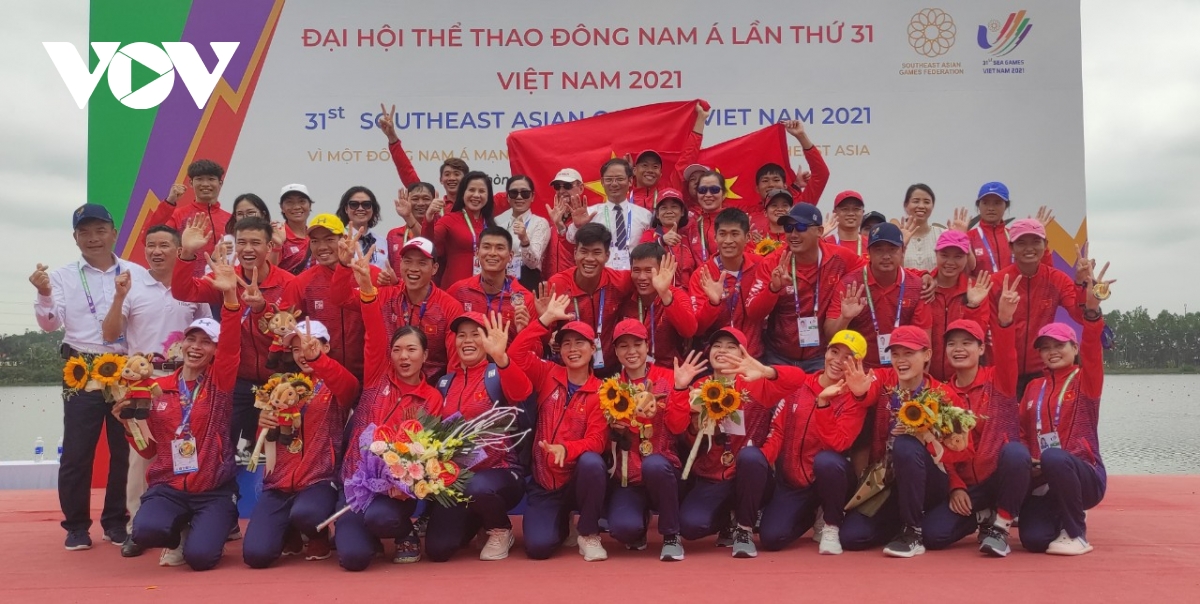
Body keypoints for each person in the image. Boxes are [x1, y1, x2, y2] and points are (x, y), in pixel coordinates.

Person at [32, 204, 148, 551]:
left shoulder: (137, 273)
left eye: (100, 230)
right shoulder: (62, 277)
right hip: (81, 368)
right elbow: (50, 324)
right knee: (77, 452)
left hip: (126, 369)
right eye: (85, 232)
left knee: (124, 449)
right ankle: (76, 526)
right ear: (75, 237)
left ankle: (116, 522)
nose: (93, 238)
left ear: (114, 233)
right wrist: (44, 293)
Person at [120, 252, 242, 571]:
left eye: (206, 342)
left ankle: (207, 527)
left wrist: (230, 297)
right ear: (182, 344)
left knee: (201, 559)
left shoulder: (219, 383)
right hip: (170, 488)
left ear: (215, 351)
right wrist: (128, 425)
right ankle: (177, 531)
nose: (196, 347)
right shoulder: (156, 388)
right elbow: (148, 449)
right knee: (146, 531)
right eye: (192, 339)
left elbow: (232, 346)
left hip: (212, 490)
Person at [101, 224, 212, 558]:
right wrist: (119, 296)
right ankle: (138, 527)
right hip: (143, 383)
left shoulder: (193, 286)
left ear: (179, 250)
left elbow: (208, 332)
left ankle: (187, 522)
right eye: (151, 245)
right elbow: (110, 334)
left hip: (187, 379)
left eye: (164, 245)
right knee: (142, 456)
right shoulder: (131, 287)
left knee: (185, 449)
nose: (156, 251)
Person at [334, 251, 446, 570]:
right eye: (397, 350)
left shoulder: (431, 399)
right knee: (353, 559)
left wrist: (400, 476)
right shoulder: (377, 375)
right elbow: (374, 332)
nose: (403, 357)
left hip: (395, 490)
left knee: (381, 517)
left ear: (425, 356)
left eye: (411, 350)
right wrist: (368, 291)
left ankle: (403, 531)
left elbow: (426, 454)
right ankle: (364, 536)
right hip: (356, 481)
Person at [673, 328, 807, 558]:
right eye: (717, 346)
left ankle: (744, 529)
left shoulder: (756, 382)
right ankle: (727, 520)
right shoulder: (700, 387)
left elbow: (798, 378)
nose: (722, 351)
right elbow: (682, 432)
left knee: (750, 457)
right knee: (690, 527)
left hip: (750, 473)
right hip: (713, 476)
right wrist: (695, 426)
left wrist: (766, 370)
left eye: (731, 347)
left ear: (743, 353)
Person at [838, 326, 968, 557]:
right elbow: (868, 390)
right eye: (896, 354)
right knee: (851, 537)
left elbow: (963, 450)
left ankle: (912, 532)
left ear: (927, 355)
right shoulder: (884, 380)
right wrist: (859, 393)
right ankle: (900, 524)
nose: (901, 360)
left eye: (909, 353)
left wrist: (926, 439)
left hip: (930, 481)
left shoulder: (944, 395)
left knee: (906, 444)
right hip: (887, 481)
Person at [923, 279, 1030, 557]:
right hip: (971, 486)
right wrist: (955, 487)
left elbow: (1006, 351)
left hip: (1001, 476)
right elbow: (942, 450)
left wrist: (1003, 320)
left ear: (981, 349)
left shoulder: (1000, 379)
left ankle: (1001, 526)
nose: (959, 349)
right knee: (934, 534)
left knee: (1017, 453)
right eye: (952, 344)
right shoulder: (940, 394)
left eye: (967, 343)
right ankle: (984, 514)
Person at [173, 215, 296, 452]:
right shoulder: (226, 277)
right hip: (237, 382)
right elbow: (183, 291)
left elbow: (288, 337)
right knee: (225, 448)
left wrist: (261, 309)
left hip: (278, 383)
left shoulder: (288, 284)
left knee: (270, 452)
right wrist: (187, 253)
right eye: (242, 242)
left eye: (255, 243)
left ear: (269, 246)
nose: (247, 249)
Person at [242, 320, 359, 568]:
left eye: (310, 345)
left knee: (307, 513)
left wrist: (318, 360)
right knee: (256, 556)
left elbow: (350, 386)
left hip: (318, 479)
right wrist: (263, 424)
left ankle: (316, 534)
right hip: (279, 482)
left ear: (326, 347)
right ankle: (289, 532)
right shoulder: (280, 385)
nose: (303, 353)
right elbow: (267, 438)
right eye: (296, 349)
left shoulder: (335, 386)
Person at [1017, 253, 1112, 556]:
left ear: (1074, 347)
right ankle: (1058, 518)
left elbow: (1092, 347)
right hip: (1045, 476)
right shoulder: (1034, 387)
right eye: (1045, 348)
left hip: (1084, 474)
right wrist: (1029, 460)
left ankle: (1076, 534)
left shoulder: (1086, 380)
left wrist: (1092, 312)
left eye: (1059, 345)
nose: (1052, 352)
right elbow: (1022, 432)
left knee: (1056, 457)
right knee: (1033, 541)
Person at [424, 312, 533, 562]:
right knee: (438, 550)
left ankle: (500, 529)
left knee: (478, 486)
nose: (468, 341)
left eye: (476, 334)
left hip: (501, 473)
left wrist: (502, 358)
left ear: (487, 340)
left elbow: (522, 391)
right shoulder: (445, 383)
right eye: (462, 335)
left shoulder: (497, 374)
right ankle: (481, 520)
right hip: (459, 480)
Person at [510, 293, 608, 561]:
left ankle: (588, 533)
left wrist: (567, 448)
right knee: (538, 548)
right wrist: (544, 320)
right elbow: (515, 355)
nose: (573, 349)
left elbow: (598, 441)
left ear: (593, 349)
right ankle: (562, 522)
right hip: (546, 483)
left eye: (580, 343)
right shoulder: (547, 373)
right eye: (566, 344)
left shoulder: (603, 391)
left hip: (578, 481)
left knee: (592, 462)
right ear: (559, 350)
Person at [758, 330, 873, 555]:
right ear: (826, 352)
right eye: (834, 352)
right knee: (771, 539)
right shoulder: (799, 384)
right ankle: (810, 514)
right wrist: (760, 461)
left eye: (848, 357)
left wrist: (823, 404)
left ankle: (831, 524)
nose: (838, 361)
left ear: (858, 364)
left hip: (831, 478)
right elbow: (778, 431)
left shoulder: (855, 398)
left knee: (827, 460)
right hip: (795, 482)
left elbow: (838, 443)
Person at [603, 319, 691, 561]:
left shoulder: (668, 378)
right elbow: (604, 439)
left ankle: (671, 535)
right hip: (629, 477)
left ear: (647, 345)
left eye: (637, 344)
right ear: (615, 351)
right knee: (623, 530)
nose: (631, 351)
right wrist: (613, 429)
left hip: (663, 470)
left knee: (654, 464)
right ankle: (639, 522)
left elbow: (678, 426)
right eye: (623, 346)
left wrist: (680, 390)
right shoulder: (611, 387)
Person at [747, 203, 864, 372]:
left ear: (819, 231)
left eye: (801, 227)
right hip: (778, 356)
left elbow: (868, 271)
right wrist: (773, 289)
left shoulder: (839, 258)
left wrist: (916, 276)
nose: (793, 234)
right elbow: (753, 313)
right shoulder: (773, 263)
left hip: (820, 357)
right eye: (789, 228)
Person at [331, 236, 463, 383]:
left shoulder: (449, 307)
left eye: (422, 263)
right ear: (400, 264)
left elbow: (455, 363)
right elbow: (342, 298)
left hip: (430, 390)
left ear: (435, 268)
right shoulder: (386, 295)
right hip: (386, 388)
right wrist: (343, 266)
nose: (413, 268)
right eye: (407, 261)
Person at [989, 219, 1086, 393]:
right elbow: (980, 328)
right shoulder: (996, 282)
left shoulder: (1057, 279)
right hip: (1002, 371)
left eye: (1035, 242)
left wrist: (1081, 285)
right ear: (1011, 247)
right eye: (1021, 243)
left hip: (1043, 373)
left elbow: (1079, 315)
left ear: (1045, 245)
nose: (1029, 248)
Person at [825, 222, 931, 368]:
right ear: (868, 252)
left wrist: (920, 381)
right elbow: (830, 336)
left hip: (900, 369)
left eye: (892, 249)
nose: (886, 256)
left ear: (903, 250)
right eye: (879, 250)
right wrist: (845, 318)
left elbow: (923, 342)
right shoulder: (850, 284)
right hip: (857, 369)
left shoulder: (917, 286)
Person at [282, 214, 368, 380]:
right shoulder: (301, 283)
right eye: (315, 241)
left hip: (369, 376)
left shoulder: (367, 275)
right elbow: (284, 329)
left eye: (329, 239)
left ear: (344, 239)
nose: (321, 247)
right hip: (323, 379)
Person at [546, 223, 634, 373]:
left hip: (610, 369)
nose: (589, 259)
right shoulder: (558, 285)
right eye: (584, 251)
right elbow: (546, 333)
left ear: (607, 256)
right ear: (575, 253)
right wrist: (548, 333)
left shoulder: (620, 281)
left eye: (597, 252)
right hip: (571, 369)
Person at [688, 208, 765, 357]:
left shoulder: (760, 266)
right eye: (722, 234)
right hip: (716, 358)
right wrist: (713, 304)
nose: (728, 241)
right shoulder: (702, 275)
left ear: (747, 237)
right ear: (715, 237)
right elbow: (698, 328)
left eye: (735, 234)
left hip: (752, 357)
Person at [444, 227, 534, 342]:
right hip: (467, 353)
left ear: (510, 256)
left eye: (499, 248)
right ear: (477, 253)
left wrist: (524, 333)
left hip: (507, 354)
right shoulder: (458, 291)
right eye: (486, 247)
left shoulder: (525, 299)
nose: (492, 253)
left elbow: (537, 348)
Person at [565, 158, 653, 271]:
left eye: (620, 179)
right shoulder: (590, 213)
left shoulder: (645, 216)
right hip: (600, 275)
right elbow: (571, 240)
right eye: (609, 179)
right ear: (602, 182)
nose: (614, 184)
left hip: (634, 275)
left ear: (630, 181)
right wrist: (577, 226)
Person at [618, 244, 695, 370]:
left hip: (669, 372)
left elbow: (689, 331)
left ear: (662, 270)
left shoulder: (676, 295)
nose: (642, 277)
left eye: (649, 271)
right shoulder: (626, 296)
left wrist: (665, 295)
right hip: (633, 371)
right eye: (636, 270)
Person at [927, 231, 991, 381]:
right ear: (936, 254)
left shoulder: (976, 289)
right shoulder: (923, 287)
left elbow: (979, 334)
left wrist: (973, 305)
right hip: (927, 379)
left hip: (962, 380)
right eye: (944, 255)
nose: (950, 262)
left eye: (958, 257)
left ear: (967, 258)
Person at [142, 159, 232, 266]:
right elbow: (148, 238)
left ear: (220, 183)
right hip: (185, 275)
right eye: (199, 179)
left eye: (211, 179)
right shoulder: (178, 215)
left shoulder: (230, 219)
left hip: (223, 275)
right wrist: (169, 202)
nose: (205, 184)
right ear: (191, 183)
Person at [377, 103, 467, 204]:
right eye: (447, 174)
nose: (452, 178)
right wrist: (392, 138)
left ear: (466, 179)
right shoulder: (435, 208)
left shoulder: (477, 206)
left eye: (456, 174)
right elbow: (406, 171)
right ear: (441, 179)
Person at [628, 103, 708, 211]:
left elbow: (687, 159)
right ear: (634, 170)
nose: (650, 170)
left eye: (655, 167)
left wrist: (700, 119)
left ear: (660, 174)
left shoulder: (668, 191)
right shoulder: (624, 195)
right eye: (645, 165)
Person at [430, 171, 497, 287]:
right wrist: (429, 217)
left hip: (485, 287)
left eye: (481, 191)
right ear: (462, 193)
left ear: (488, 196)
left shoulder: (490, 224)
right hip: (455, 287)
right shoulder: (450, 219)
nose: (476, 195)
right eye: (471, 190)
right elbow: (429, 243)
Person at [753, 120, 829, 210]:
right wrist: (796, 186)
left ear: (785, 186)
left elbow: (821, 174)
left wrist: (801, 136)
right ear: (757, 188)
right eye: (765, 181)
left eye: (776, 180)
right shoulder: (747, 215)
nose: (771, 184)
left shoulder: (799, 207)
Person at [495, 175, 551, 292]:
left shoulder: (539, 223)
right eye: (514, 193)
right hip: (501, 282)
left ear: (532, 196)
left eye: (525, 193)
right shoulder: (500, 227)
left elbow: (533, 263)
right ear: (508, 197)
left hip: (527, 283)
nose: (519, 197)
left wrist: (524, 240)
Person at [638, 189, 699, 287]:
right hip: (658, 291)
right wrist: (661, 241)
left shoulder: (687, 238)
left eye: (674, 207)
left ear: (682, 212)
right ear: (657, 214)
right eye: (664, 208)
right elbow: (640, 258)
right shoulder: (650, 234)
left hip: (686, 293)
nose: (669, 211)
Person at [543, 169, 584, 278]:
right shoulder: (551, 219)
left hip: (576, 282)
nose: (561, 191)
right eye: (557, 186)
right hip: (552, 282)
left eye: (567, 185)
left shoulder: (588, 219)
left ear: (581, 188)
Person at [336, 186, 389, 270]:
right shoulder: (338, 239)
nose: (360, 208)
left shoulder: (383, 242)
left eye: (366, 205)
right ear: (346, 209)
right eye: (354, 204)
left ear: (373, 209)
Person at [898, 184, 944, 271]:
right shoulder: (896, 236)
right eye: (916, 201)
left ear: (933, 206)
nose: (921, 206)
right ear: (905, 205)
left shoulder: (943, 234)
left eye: (926, 202)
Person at [385, 183, 429, 269]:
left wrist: (408, 216)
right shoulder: (393, 234)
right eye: (415, 199)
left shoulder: (440, 230)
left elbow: (427, 242)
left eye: (426, 199)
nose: (421, 203)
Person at [689, 171, 727, 262]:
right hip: (701, 271)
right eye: (702, 190)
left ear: (724, 194)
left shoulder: (735, 221)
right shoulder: (692, 225)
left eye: (714, 189)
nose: (708, 195)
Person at [275, 184, 313, 275]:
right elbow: (268, 271)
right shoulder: (276, 236)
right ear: (282, 208)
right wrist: (277, 246)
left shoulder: (316, 236)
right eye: (289, 202)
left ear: (310, 205)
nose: (296, 207)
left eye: (302, 201)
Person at [824, 191, 870, 259]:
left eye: (856, 209)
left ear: (862, 212)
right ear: (835, 213)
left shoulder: (871, 245)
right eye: (845, 209)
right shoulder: (825, 244)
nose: (851, 213)